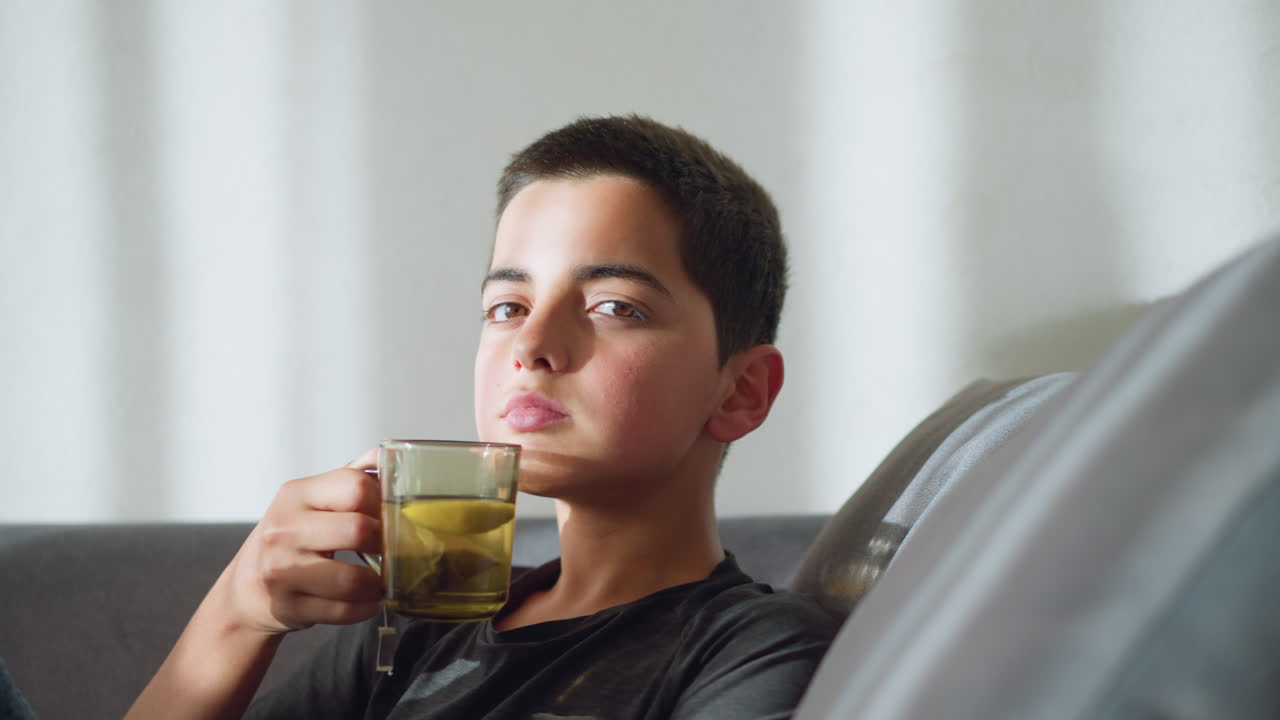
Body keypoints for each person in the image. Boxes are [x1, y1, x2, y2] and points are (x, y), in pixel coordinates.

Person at [127, 115, 837, 719]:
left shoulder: (758, 648)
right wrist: (235, 618)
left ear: (741, 391)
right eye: (509, 308)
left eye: (615, 307)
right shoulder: (413, 634)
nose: (531, 347)